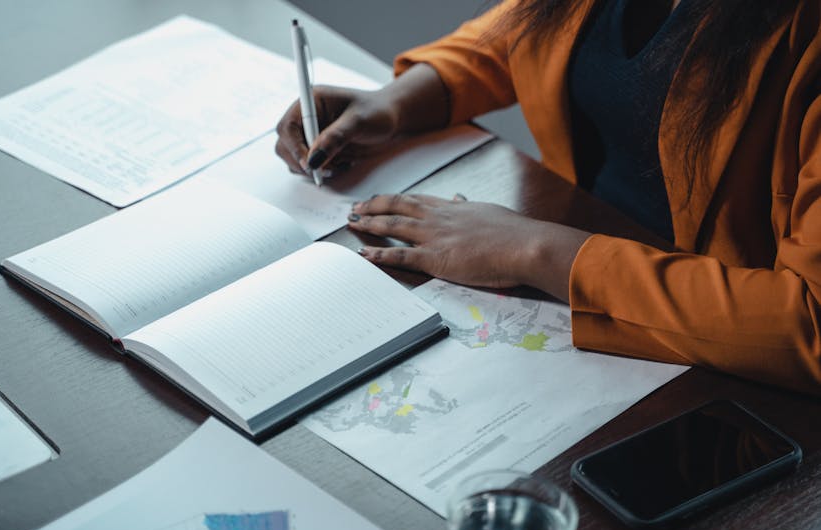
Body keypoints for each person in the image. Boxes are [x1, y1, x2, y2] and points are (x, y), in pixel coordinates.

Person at [275, 0, 821, 394]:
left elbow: (809, 322)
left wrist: (533, 250)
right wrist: (394, 104)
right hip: (576, 301)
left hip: (721, 369)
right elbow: (527, 29)